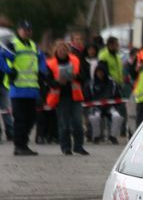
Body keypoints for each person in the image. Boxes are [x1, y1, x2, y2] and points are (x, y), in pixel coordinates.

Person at [0, 20, 48, 155]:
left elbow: (42, 58)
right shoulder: (13, 45)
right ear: (19, 30)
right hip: (18, 89)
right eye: (24, 29)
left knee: (31, 118)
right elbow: (0, 57)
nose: (27, 32)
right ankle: (19, 146)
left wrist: (42, 71)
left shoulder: (33, 45)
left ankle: (24, 144)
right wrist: (9, 70)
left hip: (32, 89)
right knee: (20, 119)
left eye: (29, 30)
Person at [46, 40, 88, 155]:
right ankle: (66, 147)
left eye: (64, 49)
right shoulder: (50, 63)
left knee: (78, 123)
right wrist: (58, 82)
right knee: (64, 124)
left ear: (67, 51)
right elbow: (48, 81)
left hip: (75, 96)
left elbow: (84, 77)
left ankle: (79, 147)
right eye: (60, 49)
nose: (62, 51)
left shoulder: (75, 60)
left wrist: (76, 76)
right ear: (56, 50)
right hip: (60, 97)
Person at [84, 62, 123, 144]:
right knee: (94, 118)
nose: (100, 74)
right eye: (98, 72)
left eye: (102, 72)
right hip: (96, 108)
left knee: (117, 117)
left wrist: (115, 105)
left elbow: (117, 96)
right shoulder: (91, 84)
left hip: (110, 107)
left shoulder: (112, 83)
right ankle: (96, 136)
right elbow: (87, 98)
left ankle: (113, 136)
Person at [98, 37, 127, 135]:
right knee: (110, 108)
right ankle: (110, 132)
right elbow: (102, 70)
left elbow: (119, 70)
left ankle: (117, 131)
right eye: (116, 44)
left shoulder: (116, 55)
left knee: (118, 109)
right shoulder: (104, 55)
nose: (117, 46)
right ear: (110, 45)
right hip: (109, 86)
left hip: (118, 84)